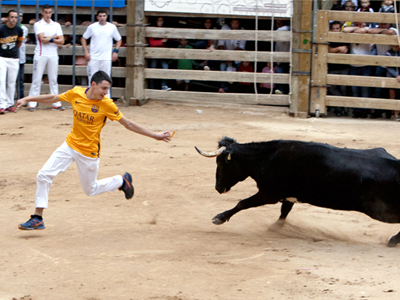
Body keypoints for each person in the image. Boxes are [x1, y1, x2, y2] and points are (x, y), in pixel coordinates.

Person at [15, 70, 172, 230]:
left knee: (90, 190)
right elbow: (53, 98)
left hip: (89, 152)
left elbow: (128, 124)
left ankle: (120, 181)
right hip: (70, 145)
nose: (106, 92)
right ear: (93, 84)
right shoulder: (76, 93)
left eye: (107, 89)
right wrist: (27, 98)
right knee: (43, 175)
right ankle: (38, 217)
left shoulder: (107, 104)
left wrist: (155, 135)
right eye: (103, 88)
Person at [28, 4, 64, 112]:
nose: (48, 15)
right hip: (41, 53)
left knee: (53, 79)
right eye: (46, 12)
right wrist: (54, 37)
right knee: (37, 79)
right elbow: (42, 39)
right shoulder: (38, 24)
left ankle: (56, 102)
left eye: (49, 12)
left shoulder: (56, 24)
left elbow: (62, 41)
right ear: (42, 13)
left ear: (51, 13)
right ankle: (32, 103)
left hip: (53, 54)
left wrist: (50, 39)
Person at [81, 9, 122, 98]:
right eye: (100, 16)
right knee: (92, 79)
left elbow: (119, 39)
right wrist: (86, 51)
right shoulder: (92, 27)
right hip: (94, 57)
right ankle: (91, 98)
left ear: (106, 17)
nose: (102, 18)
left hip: (106, 58)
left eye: (104, 16)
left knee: (106, 79)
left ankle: (106, 99)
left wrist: (115, 51)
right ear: (97, 17)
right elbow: (83, 38)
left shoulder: (112, 27)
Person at [367, 13, 397, 118]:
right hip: (380, 64)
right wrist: (382, 31)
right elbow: (370, 31)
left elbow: (391, 32)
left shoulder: (394, 29)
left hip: (392, 65)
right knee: (378, 89)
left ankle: (390, 112)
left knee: (390, 90)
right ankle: (378, 111)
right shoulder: (376, 29)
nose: (383, 24)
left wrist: (381, 31)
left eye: (385, 22)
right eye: (382, 22)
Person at [343, 21, 371, 118]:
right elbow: (345, 29)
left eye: (360, 24)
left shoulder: (367, 30)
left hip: (365, 65)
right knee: (355, 90)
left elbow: (363, 30)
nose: (359, 26)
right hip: (353, 65)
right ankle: (357, 110)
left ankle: (364, 110)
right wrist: (355, 28)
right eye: (357, 24)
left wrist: (355, 29)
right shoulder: (351, 30)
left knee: (365, 90)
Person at [0, 10, 23, 114]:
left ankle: (9, 104)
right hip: (2, 57)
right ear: (8, 18)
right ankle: (2, 104)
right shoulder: (1, 29)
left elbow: (19, 42)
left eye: (15, 17)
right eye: (12, 17)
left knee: (11, 82)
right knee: (1, 81)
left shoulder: (19, 29)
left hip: (14, 58)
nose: (14, 19)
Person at [327, 21, 349, 116]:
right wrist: (338, 49)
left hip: (343, 67)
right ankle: (342, 106)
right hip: (332, 67)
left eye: (337, 28)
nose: (335, 30)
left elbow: (344, 50)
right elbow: (327, 50)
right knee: (332, 88)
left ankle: (340, 108)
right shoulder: (328, 37)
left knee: (343, 88)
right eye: (334, 28)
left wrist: (334, 50)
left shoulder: (344, 37)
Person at [148, 17, 171, 91]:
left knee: (165, 67)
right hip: (154, 53)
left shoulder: (164, 29)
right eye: (159, 20)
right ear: (156, 21)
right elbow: (151, 43)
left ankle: (163, 85)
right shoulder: (152, 29)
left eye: (161, 21)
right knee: (152, 69)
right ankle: (151, 87)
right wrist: (162, 41)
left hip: (162, 52)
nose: (160, 22)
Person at [274, 19, 290, 94]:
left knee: (287, 74)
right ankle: (281, 90)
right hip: (281, 58)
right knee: (280, 73)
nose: (278, 25)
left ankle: (286, 91)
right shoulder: (278, 33)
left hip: (289, 57)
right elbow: (277, 47)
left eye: (280, 23)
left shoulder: (285, 29)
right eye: (277, 23)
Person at [386, 44, 400, 119]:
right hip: (392, 76)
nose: (396, 48)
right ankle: (393, 113)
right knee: (392, 94)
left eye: (397, 46)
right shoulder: (388, 53)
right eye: (394, 46)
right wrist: (396, 75)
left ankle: (398, 112)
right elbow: (388, 67)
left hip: (398, 76)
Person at [18, 11, 29, 100]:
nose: (19, 17)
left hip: (20, 56)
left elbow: (20, 39)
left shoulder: (24, 28)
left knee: (20, 79)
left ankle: (20, 97)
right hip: (10, 56)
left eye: (21, 16)